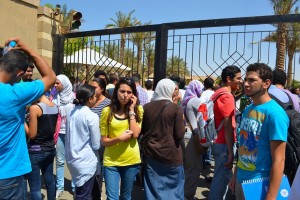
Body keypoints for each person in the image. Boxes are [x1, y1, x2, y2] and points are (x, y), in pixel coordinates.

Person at [0, 37, 56, 199]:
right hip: (9, 174)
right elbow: (50, 77)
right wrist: (29, 50)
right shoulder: (15, 93)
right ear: (19, 74)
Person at [228, 63, 289, 200]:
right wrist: (235, 175)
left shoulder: (275, 114)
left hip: (260, 185)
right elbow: (242, 147)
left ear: (266, 83)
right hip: (241, 181)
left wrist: (271, 196)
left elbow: (279, 159)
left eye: (252, 80)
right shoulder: (248, 109)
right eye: (245, 79)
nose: (246, 84)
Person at [141, 78, 185, 200]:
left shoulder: (147, 107)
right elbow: (180, 135)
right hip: (171, 155)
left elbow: (143, 130)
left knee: (153, 190)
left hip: (151, 154)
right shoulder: (175, 108)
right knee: (174, 191)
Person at [100, 78, 143, 200]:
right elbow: (103, 141)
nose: (125, 95)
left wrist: (131, 111)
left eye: (129, 92)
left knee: (126, 197)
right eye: (122, 91)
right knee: (112, 197)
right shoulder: (107, 111)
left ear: (133, 94)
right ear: (116, 92)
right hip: (111, 162)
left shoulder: (138, 110)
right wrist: (119, 138)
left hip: (130, 161)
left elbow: (135, 134)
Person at [208, 65, 243, 200]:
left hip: (218, 140)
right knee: (221, 181)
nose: (241, 81)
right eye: (238, 78)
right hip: (223, 142)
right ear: (229, 79)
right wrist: (230, 151)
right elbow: (228, 126)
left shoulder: (218, 93)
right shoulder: (227, 97)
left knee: (220, 178)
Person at [65, 84, 101, 200]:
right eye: (95, 96)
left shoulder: (71, 112)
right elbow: (96, 144)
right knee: (84, 195)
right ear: (90, 99)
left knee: (89, 192)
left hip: (73, 159)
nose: (96, 98)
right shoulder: (91, 116)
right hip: (86, 162)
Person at [25, 95, 58, 200]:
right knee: (50, 181)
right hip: (50, 148)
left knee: (35, 187)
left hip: (35, 150)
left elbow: (32, 134)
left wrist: (22, 122)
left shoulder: (34, 108)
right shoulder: (55, 106)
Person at [180, 80, 205, 200]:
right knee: (194, 168)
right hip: (193, 137)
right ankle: (188, 195)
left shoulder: (185, 100)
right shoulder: (195, 100)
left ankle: (183, 193)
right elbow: (204, 115)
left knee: (185, 168)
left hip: (185, 136)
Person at [53, 74, 75, 198]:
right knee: (60, 161)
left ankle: (74, 187)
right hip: (59, 133)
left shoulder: (74, 97)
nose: (55, 85)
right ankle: (59, 187)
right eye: (55, 83)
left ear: (65, 84)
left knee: (72, 161)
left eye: (58, 83)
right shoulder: (54, 97)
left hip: (72, 134)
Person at [89, 78, 111, 200]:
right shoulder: (90, 100)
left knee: (100, 171)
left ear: (102, 88)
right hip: (89, 143)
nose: (92, 89)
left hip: (102, 143)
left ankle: (98, 194)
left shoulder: (107, 103)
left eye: (95, 87)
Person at [200, 77, 215, 169]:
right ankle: (209, 159)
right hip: (214, 121)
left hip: (206, 120)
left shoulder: (204, 94)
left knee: (205, 140)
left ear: (204, 85)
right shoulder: (215, 94)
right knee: (212, 141)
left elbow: (201, 107)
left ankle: (204, 161)